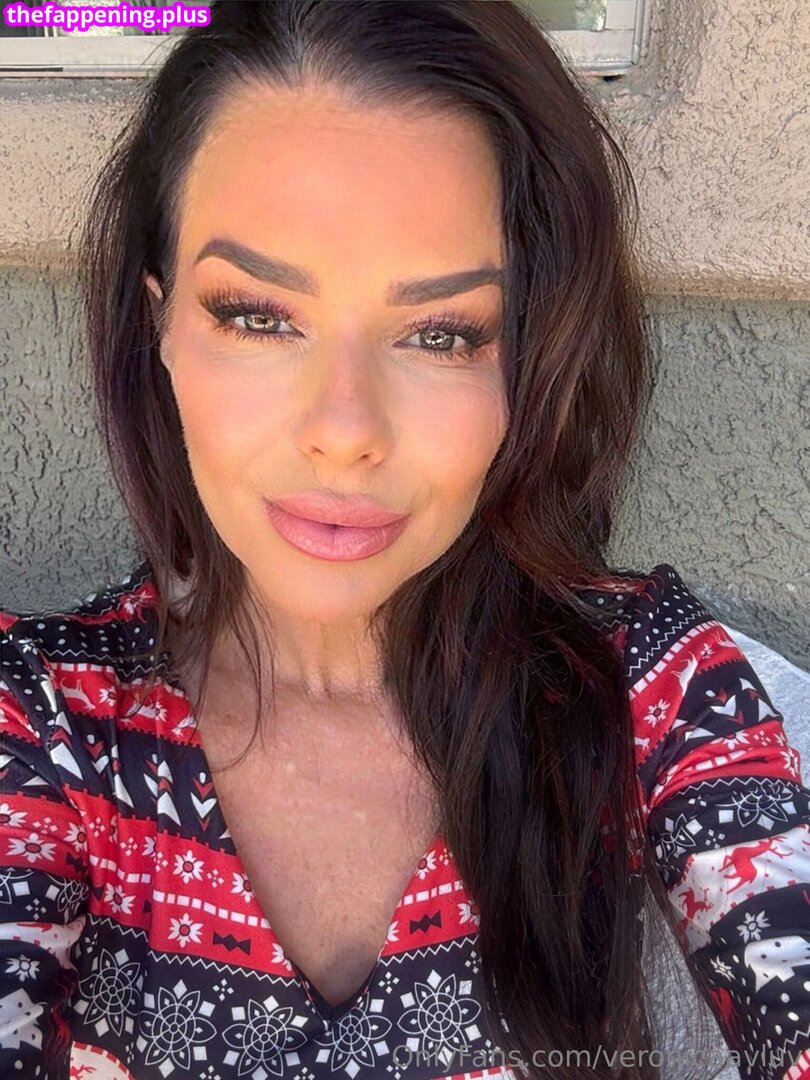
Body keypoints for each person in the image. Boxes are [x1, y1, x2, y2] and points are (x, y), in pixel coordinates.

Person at [1, 2, 808, 1079]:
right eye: (257, 315)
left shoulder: (643, 685)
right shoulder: (42, 723)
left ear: (528, 356)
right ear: (161, 327)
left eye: (441, 333)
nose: (345, 430)